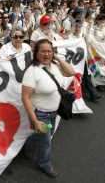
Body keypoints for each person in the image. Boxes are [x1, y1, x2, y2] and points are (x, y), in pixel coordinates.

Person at [22, 39, 76, 178]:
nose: (46, 54)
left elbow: (71, 72)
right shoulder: (32, 72)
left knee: (42, 135)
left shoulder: (55, 65)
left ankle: (27, 148)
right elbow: (26, 97)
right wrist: (34, 120)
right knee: (46, 141)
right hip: (41, 114)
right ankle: (44, 163)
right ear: (36, 53)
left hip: (54, 112)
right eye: (43, 51)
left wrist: (57, 57)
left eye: (49, 51)